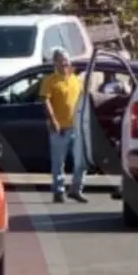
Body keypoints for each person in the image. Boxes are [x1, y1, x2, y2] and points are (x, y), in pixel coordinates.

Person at [40, 49, 87, 203]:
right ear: (55, 62)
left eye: (66, 60)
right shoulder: (50, 80)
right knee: (58, 162)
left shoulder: (76, 80)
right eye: (60, 60)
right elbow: (45, 101)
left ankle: (76, 189)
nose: (64, 63)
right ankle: (59, 191)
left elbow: (83, 101)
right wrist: (53, 120)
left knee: (81, 161)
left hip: (76, 127)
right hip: (59, 128)